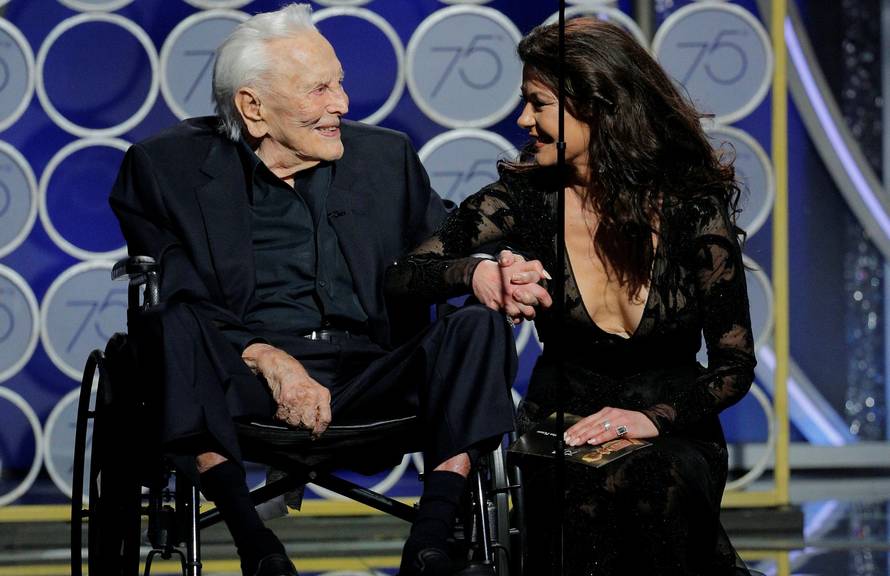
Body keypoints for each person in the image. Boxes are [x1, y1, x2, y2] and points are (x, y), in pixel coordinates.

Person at [109, 4, 517, 576]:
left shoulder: (386, 158)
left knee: (478, 325)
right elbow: (178, 292)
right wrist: (268, 359)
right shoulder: (163, 169)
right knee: (167, 326)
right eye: (319, 89)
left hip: (370, 373)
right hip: (240, 376)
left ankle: (431, 536)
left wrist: (475, 270)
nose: (342, 105)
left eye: (341, 84)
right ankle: (256, 546)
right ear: (253, 107)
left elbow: (434, 254)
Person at [385, 17, 757, 575]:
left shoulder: (690, 204)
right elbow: (404, 273)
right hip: (560, 422)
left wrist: (648, 418)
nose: (522, 120)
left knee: (659, 478)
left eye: (538, 103)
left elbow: (734, 367)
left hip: (671, 427)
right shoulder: (525, 198)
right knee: (583, 491)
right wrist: (478, 274)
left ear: (597, 105)